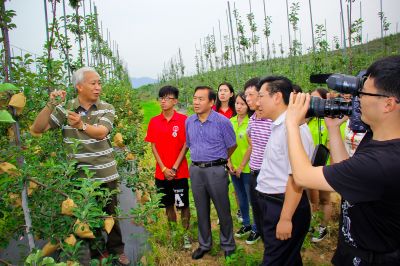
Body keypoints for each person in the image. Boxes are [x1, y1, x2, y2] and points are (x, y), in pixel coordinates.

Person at [286, 55, 400, 265]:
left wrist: (292, 123)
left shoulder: (383, 163)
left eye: (363, 93)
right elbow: (345, 171)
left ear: (388, 104)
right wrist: (333, 129)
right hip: (357, 247)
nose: (358, 99)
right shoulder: (379, 138)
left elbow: (302, 176)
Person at [31, 67, 129, 265]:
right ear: (79, 86)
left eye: (99, 83)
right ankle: (95, 253)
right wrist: (51, 105)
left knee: (110, 215)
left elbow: (102, 132)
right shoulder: (65, 109)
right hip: (78, 178)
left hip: (105, 173)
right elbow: (37, 128)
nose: (98, 87)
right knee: (83, 220)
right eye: (93, 83)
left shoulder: (107, 107)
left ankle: (117, 250)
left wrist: (81, 126)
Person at [255, 76, 314, 265]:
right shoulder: (279, 126)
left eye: (261, 96)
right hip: (270, 202)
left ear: (277, 97)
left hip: (283, 205)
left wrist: (286, 218)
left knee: (274, 259)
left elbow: (296, 178)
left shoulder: (294, 129)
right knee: (288, 258)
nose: (257, 103)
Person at [186, 86, 237, 260]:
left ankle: (228, 244)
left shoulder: (222, 122)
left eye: (201, 99)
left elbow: (232, 145)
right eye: (195, 98)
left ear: (211, 102)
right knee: (201, 210)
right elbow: (189, 143)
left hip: (216, 170)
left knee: (223, 210)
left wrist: (220, 160)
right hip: (196, 170)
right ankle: (204, 244)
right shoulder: (189, 121)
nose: (196, 102)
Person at [144, 85, 191, 249]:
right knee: (168, 204)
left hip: (180, 172)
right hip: (161, 173)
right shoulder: (154, 121)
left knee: (183, 204)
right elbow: (153, 146)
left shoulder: (184, 120)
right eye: (161, 98)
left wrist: (175, 167)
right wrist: (164, 168)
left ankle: (185, 235)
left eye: (167, 98)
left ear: (175, 101)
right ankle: (173, 233)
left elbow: (186, 144)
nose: (163, 101)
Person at [243, 77, 272, 245]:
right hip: (254, 172)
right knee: (258, 211)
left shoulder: (271, 119)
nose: (247, 99)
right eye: (246, 95)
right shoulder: (253, 118)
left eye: (251, 94)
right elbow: (251, 140)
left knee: (269, 214)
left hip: (268, 174)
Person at [227, 92, 254, 241]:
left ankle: (256, 228)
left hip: (247, 168)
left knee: (251, 198)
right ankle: (246, 223)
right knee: (241, 197)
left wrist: (241, 166)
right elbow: (227, 144)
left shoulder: (251, 122)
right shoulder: (230, 122)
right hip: (233, 167)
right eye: (237, 103)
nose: (239, 106)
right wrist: (229, 162)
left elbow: (251, 146)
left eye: (242, 104)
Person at [307, 88, 332, 243]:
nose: (312, 102)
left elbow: (330, 146)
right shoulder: (308, 119)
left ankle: (323, 227)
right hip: (308, 167)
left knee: (324, 199)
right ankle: (310, 224)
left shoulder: (329, 120)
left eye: (316, 99)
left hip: (324, 167)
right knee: (310, 199)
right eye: (310, 98)